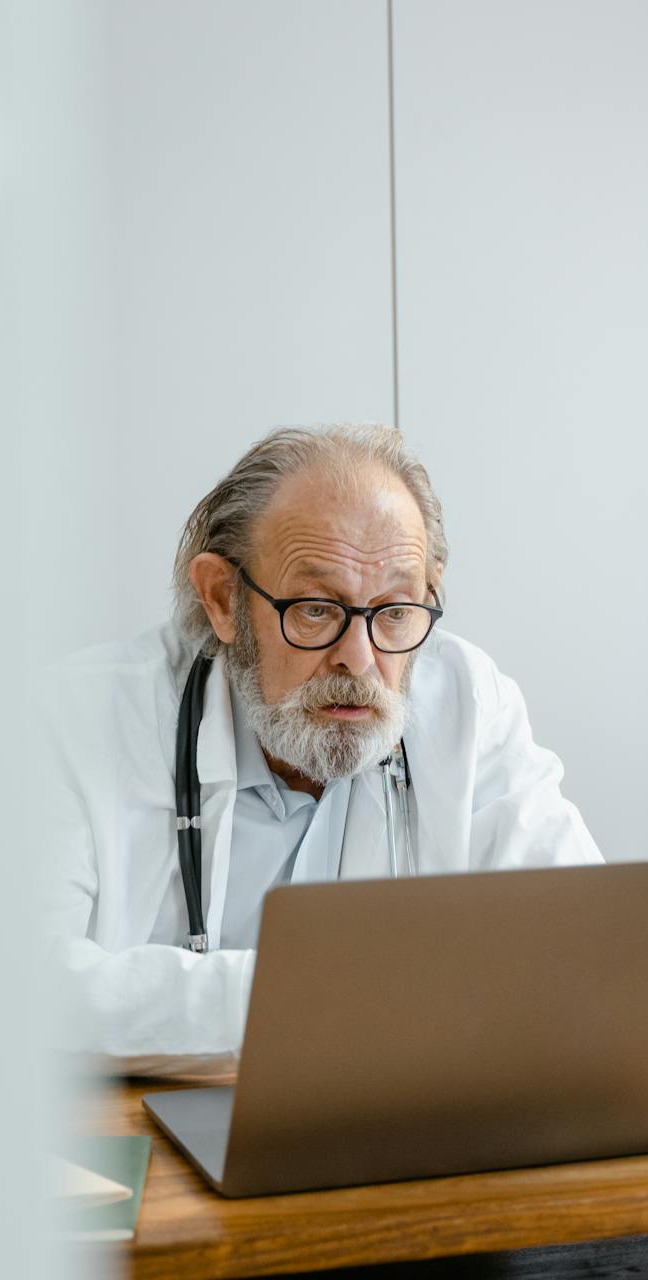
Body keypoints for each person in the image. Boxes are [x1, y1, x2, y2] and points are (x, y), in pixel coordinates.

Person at [45, 424, 602, 1075]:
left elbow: (580, 946)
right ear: (223, 598)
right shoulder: (78, 720)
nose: (360, 660)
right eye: (315, 609)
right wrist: (334, 1002)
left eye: (395, 609)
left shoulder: (469, 702)